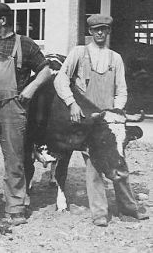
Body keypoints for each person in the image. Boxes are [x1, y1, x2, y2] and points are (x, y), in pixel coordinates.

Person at [54, 14, 149, 227]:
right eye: (96, 29)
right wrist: (72, 103)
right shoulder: (79, 53)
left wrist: (117, 110)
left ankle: (129, 207)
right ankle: (99, 212)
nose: (100, 33)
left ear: (108, 32)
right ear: (90, 31)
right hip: (89, 121)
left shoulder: (115, 58)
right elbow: (61, 79)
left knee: (118, 159)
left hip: (110, 119)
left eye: (104, 29)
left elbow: (121, 90)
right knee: (94, 163)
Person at [0, 2, 51, 225]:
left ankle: (15, 207)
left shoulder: (25, 44)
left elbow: (46, 70)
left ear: (2, 20)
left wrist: (30, 89)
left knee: (14, 158)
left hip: (12, 107)